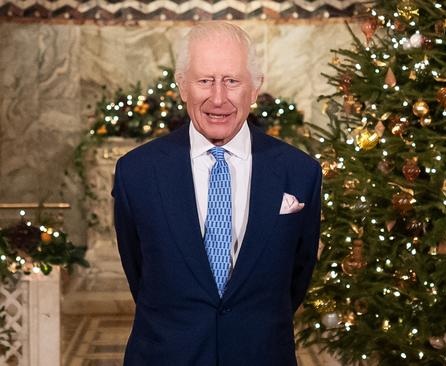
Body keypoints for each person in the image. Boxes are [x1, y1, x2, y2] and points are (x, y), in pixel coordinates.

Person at [112, 21, 322, 365]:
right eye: (205, 81)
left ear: (255, 88)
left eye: (232, 81)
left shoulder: (300, 172)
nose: (219, 98)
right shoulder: (136, 172)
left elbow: (296, 279)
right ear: (182, 86)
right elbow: (139, 272)